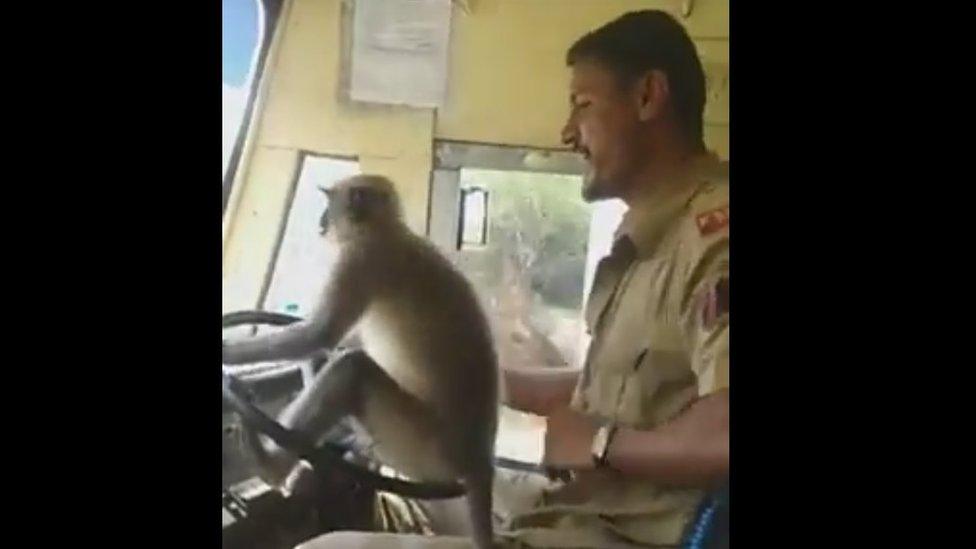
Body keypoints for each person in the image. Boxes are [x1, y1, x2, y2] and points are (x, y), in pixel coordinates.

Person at [301, 9, 729, 549]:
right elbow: (635, 387)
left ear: (648, 96)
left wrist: (598, 443)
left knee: (327, 547)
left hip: (618, 531)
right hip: (584, 505)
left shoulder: (714, 239)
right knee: (404, 497)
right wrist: (477, 375)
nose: (567, 131)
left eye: (583, 106)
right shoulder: (652, 237)